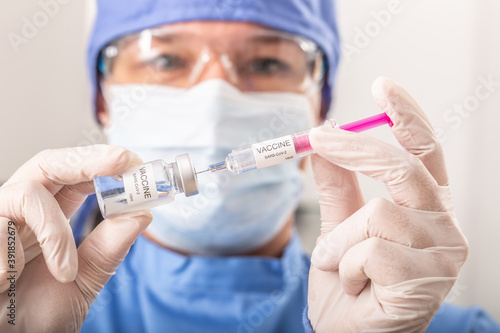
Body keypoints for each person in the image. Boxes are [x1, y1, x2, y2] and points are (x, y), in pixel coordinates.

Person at [1, 0, 499, 332]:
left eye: (265, 64)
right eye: (168, 60)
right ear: (102, 101)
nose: (216, 99)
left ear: (317, 112)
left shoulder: (423, 321)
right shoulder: (20, 299)